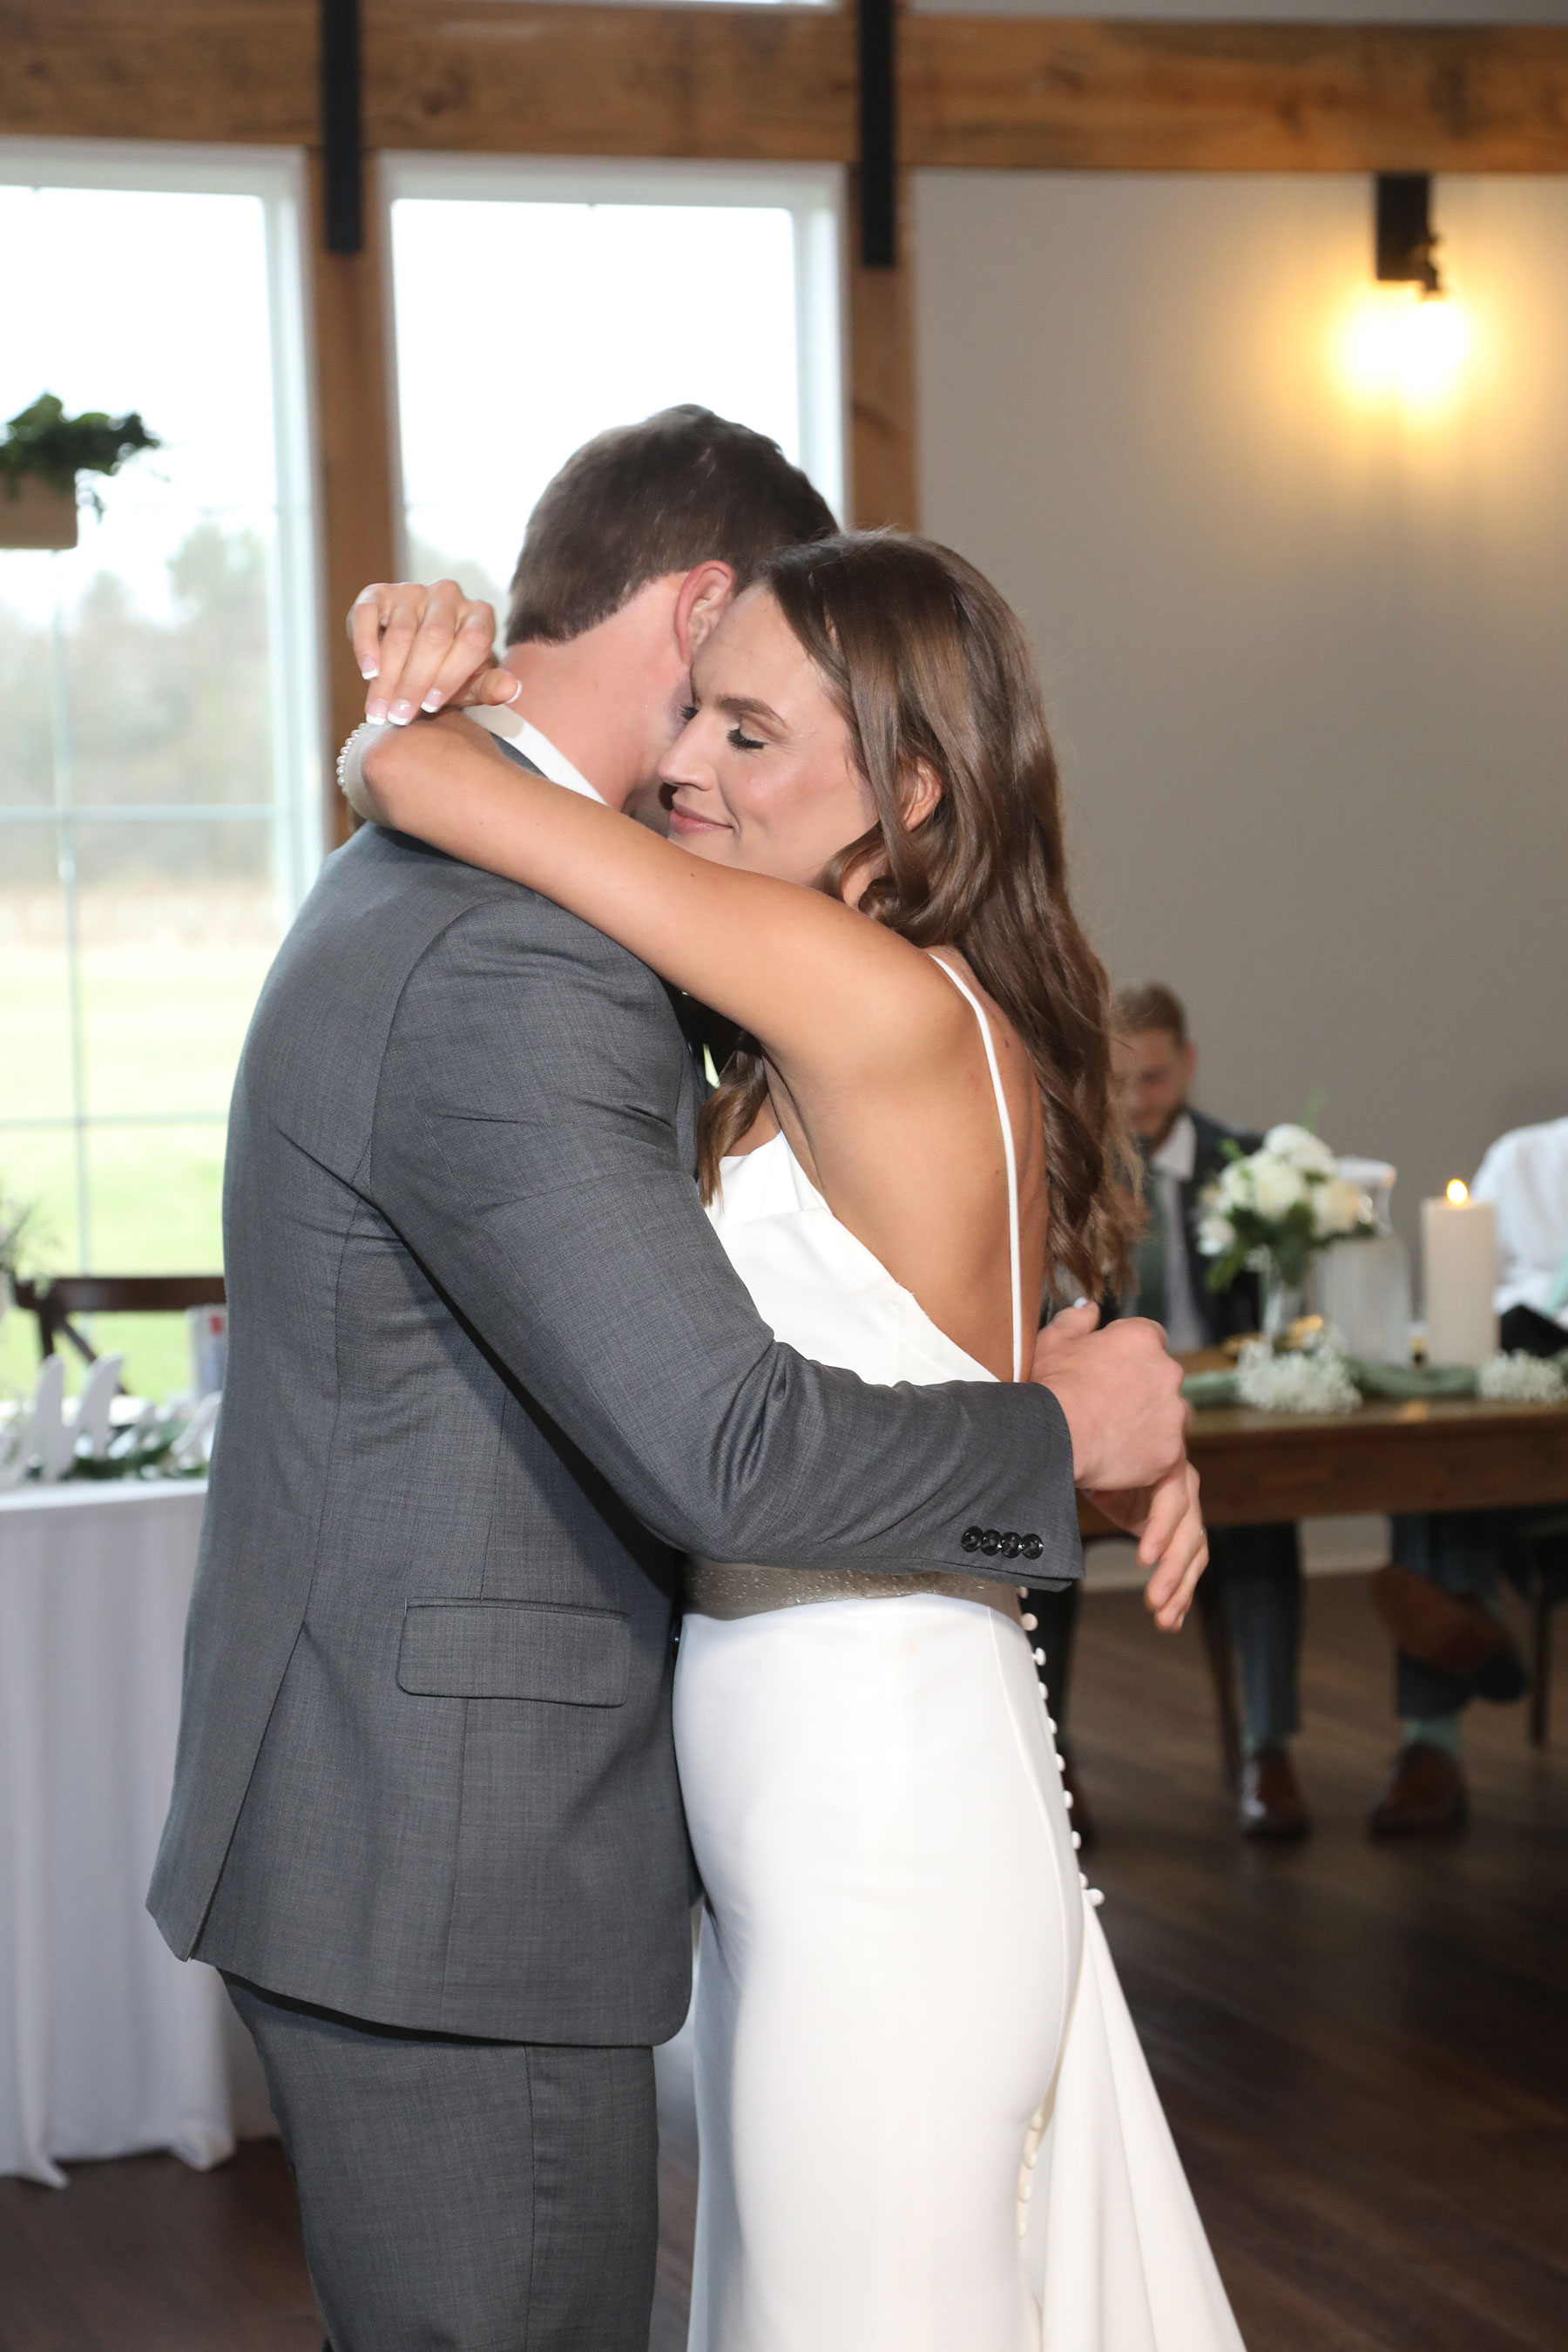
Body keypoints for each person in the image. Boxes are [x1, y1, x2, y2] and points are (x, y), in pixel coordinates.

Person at [149, 410, 1200, 2352]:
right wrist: (1065, 1422)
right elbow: (747, 1418)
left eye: (757, 733)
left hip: (818, 1818)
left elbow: (736, 1428)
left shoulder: (723, 961)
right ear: (697, 605)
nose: (699, 774)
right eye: (705, 712)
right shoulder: (556, 959)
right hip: (486, 1847)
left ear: (911, 793)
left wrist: (399, 729)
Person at [1026, 984, 1310, 1842]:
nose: (1139, 1102)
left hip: (1227, 1412)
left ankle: (1269, 1748)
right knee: (1048, 1539)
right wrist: (1095, 1248)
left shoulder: (1252, 1166)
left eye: (1153, 1079)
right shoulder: (1072, 1164)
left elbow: (1288, 1306)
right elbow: (1051, 1320)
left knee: (1262, 1530)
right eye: (1121, 1084)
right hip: (1115, 1415)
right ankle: (1051, 1753)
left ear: (1185, 1066)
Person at [1369, 1115, 1568, 1834]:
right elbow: (1467, 1290)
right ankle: (1468, 1615)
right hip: (1512, 1408)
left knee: (1445, 1497)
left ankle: (1438, 1733)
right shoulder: (1525, 1161)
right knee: (1432, 1461)